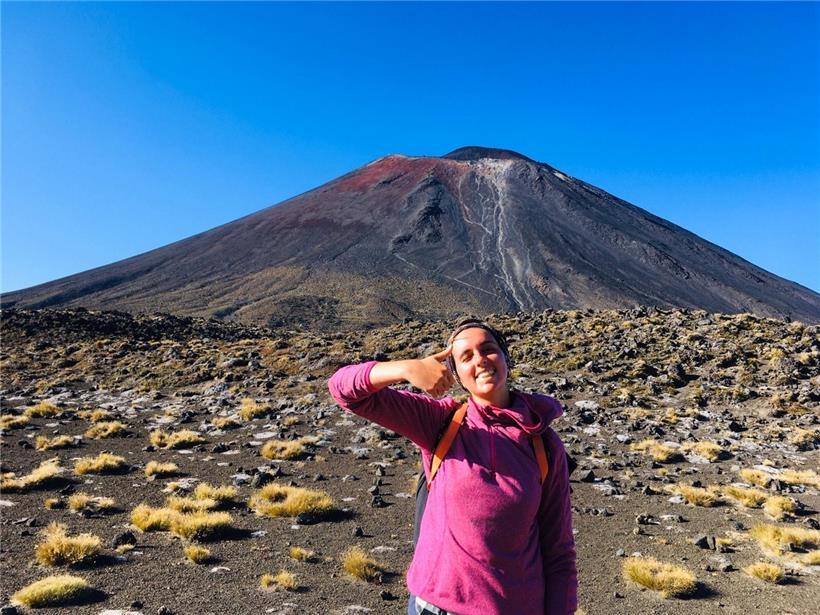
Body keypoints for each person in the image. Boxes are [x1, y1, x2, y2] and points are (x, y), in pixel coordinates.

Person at [327, 318, 578, 615]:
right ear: (456, 374)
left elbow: (558, 550)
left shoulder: (543, 444)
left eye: (488, 349)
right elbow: (342, 389)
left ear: (505, 357)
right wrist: (406, 368)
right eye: (466, 357)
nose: (481, 360)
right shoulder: (440, 423)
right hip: (435, 608)